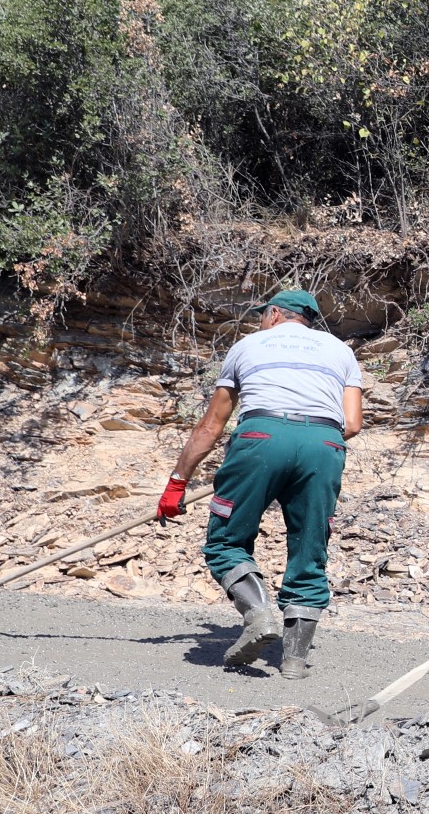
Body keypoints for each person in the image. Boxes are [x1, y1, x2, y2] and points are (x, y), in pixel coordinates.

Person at [156, 289, 366, 679]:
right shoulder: (341, 351)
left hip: (260, 438)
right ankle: (294, 662)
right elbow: (352, 423)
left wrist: (177, 482)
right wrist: (308, 445)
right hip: (324, 443)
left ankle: (258, 615)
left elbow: (211, 425)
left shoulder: (248, 345)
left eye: (260, 316)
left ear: (273, 314)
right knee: (309, 547)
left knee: (225, 542)